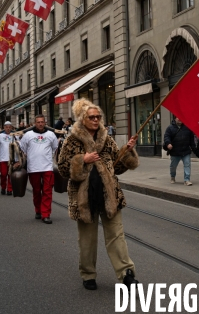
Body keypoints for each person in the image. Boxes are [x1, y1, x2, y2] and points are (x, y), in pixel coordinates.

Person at [58, 99, 139, 291]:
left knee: (116, 236)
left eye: (98, 117)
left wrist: (127, 151)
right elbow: (62, 168)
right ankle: (88, 274)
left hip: (109, 195)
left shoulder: (106, 138)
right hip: (84, 198)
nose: (96, 120)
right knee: (87, 240)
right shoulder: (72, 140)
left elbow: (117, 167)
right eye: (91, 117)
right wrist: (82, 160)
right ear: (83, 118)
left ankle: (126, 274)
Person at [19, 114, 58, 223]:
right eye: (38, 122)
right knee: (36, 190)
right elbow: (23, 149)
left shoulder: (51, 135)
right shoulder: (28, 135)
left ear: (45, 122)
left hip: (47, 167)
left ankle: (46, 214)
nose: (40, 124)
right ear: (34, 123)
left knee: (47, 190)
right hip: (33, 167)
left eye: (42, 122)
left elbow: (55, 148)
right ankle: (38, 210)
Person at [163, 117, 195, 186]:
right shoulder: (170, 128)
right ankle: (172, 177)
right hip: (175, 151)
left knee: (187, 165)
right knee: (173, 166)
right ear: (175, 119)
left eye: (181, 118)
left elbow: (191, 139)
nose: (180, 119)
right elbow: (166, 136)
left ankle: (187, 180)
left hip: (185, 151)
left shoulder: (188, 127)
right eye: (178, 118)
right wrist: (168, 143)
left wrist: (193, 148)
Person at [0, 120, 15, 195]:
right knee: (3, 174)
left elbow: (20, 145)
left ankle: (9, 189)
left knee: (10, 175)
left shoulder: (14, 135)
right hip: (3, 158)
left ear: (11, 127)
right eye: (6, 127)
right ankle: (3, 187)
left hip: (12, 159)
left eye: (9, 127)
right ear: (4, 128)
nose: (8, 129)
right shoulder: (0, 136)